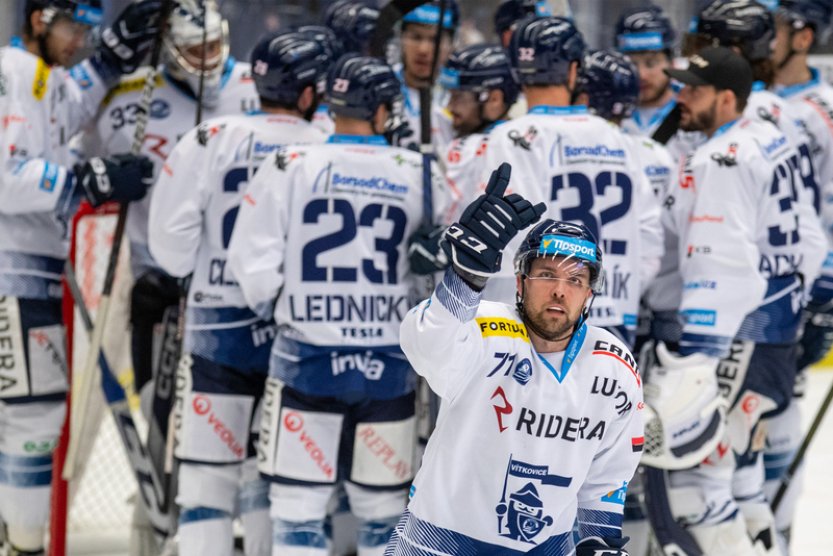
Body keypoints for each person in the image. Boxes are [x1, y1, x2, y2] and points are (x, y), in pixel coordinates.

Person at [227, 55, 451, 556]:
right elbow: (445, 268)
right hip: (389, 366)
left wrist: (291, 307)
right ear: (383, 111)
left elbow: (251, 264)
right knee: (382, 511)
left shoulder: (290, 164)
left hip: (306, 360)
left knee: (297, 509)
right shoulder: (418, 171)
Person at [386, 165, 643, 555]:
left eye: (575, 280)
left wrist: (600, 541)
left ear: (589, 293)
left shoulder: (615, 366)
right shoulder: (480, 325)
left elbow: (607, 476)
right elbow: (425, 345)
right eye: (547, 275)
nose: (560, 291)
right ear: (520, 282)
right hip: (438, 541)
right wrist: (464, 279)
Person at [147, 31, 331, 556]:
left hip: (217, 330)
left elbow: (171, 250)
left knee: (205, 485)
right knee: (272, 481)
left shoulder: (211, 136)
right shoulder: (326, 146)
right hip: (296, 333)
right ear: (309, 92)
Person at [645, 46, 825, 555]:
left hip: (730, 340)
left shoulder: (719, 159)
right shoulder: (771, 139)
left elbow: (717, 262)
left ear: (726, 98)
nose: (681, 98)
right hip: (770, 332)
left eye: (694, 90)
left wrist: (698, 359)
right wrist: (790, 308)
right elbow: (812, 241)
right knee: (740, 473)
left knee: (694, 486)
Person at [0, 0, 161, 553]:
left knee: (28, 418)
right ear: (39, 19)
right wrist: (89, 178)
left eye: (90, 29)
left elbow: (72, 105)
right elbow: (5, 175)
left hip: (28, 270)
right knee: (32, 421)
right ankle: (23, 547)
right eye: (73, 26)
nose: (80, 40)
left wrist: (112, 58)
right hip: (13, 273)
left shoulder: (43, 76)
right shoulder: (15, 71)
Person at [77, 0, 259, 396]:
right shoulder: (127, 96)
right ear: (171, 49)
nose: (208, 58)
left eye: (213, 46)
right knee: (154, 399)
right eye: (196, 50)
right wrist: (106, 177)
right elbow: (77, 153)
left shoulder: (259, 88)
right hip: (155, 277)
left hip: (236, 282)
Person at [480, 16, 663, 349]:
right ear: (574, 69)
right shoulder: (621, 139)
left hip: (540, 320)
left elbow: (507, 236)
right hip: (612, 316)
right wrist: (610, 288)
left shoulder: (513, 136)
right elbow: (650, 235)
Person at [574, 47, 672, 556]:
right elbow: (653, 248)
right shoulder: (649, 154)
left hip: (555, 322)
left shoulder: (550, 142)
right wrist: (619, 291)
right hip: (618, 330)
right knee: (615, 471)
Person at [768, 0, 833, 550]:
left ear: (803, 36)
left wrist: (827, 294)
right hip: (746, 296)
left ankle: (778, 539)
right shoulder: (742, 96)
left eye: (775, 27)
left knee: (777, 432)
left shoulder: (824, 111)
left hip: (797, 301)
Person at [439, 43, 519, 221]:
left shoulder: (464, 149)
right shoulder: (529, 143)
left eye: (458, 97)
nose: (450, 107)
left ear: (494, 99)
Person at [395, 0, 457, 152]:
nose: (423, 49)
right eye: (416, 37)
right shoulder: (381, 88)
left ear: (451, 44)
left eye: (435, 40)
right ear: (401, 39)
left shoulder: (460, 96)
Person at [614, 3, 679, 138]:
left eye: (651, 64)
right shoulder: (608, 113)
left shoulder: (693, 113)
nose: (641, 75)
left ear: (672, 63)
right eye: (631, 64)